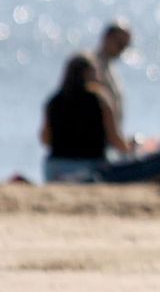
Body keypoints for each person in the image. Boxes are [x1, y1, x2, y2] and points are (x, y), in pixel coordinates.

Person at [38, 52, 130, 182]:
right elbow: (114, 138)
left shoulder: (54, 100)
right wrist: (131, 151)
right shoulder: (100, 99)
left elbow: (45, 140)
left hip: (55, 168)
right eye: (95, 72)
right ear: (88, 73)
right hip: (89, 167)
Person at [92, 21, 133, 154]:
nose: (122, 50)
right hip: (98, 146)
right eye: (120, 44)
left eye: (126, 46)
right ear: (107, 38)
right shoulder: (93, 67)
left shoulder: (108, 67)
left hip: (110, 144)